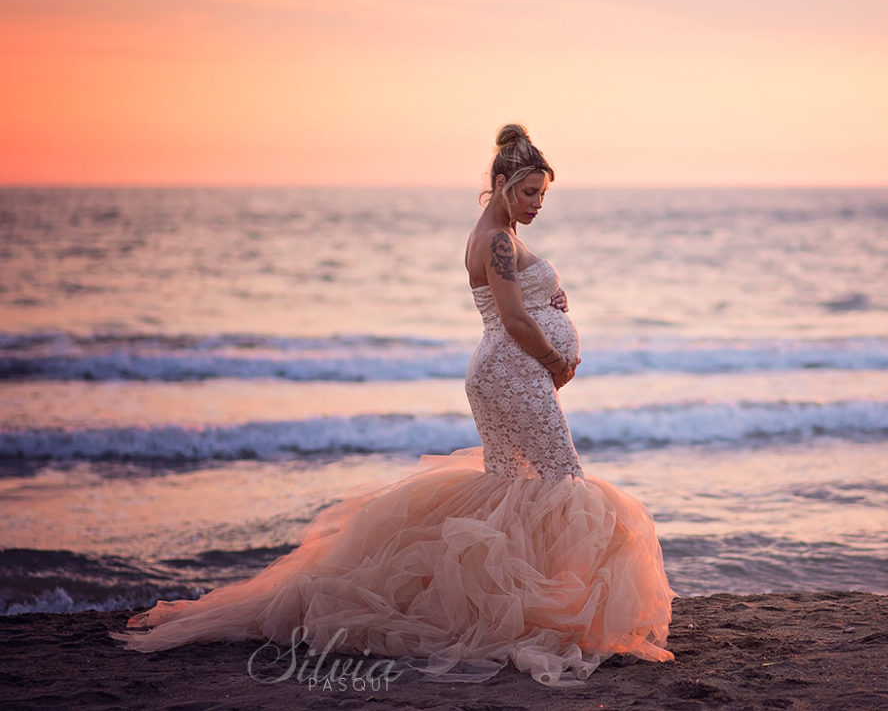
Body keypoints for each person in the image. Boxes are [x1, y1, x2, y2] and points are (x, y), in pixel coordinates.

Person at [113, 124, 674, 686]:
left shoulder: (492, 234)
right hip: (512, 371)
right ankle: (553, 616)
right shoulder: (498, 242)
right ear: (501, 183)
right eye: (528, 192)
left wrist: (549, 327)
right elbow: (513, 319)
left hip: (499, 372)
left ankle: (501, 612)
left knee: (513, 484)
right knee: (563, 482)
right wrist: (556, 360)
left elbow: (518, 310)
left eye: (543, 195)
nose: (537, 204)